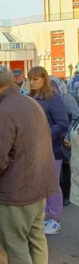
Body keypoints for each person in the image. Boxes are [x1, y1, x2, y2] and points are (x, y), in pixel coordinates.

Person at [0, 65, 58, 264]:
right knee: (37, 238)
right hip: (39, 184)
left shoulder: (3, 110)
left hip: (17, 191)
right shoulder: (32, 102)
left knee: (16, 246)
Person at [28, 66, 69, 234]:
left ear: (44, 79)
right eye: (30, 79)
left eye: (35, 79)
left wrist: (44, 137)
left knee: (52, 185)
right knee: (40, 185)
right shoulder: (30, 98)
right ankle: (44, 216)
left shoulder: (54, 98)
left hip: (52, 150)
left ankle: (55, 219)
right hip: (33, 150)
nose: (32, 82)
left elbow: (62, 123)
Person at [51, 76, 79, 206]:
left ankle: (67, 196)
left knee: (66, 168)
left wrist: (68, 136)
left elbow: (75, 116)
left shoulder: (66, 98)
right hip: (57, 138)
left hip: (66, 139)